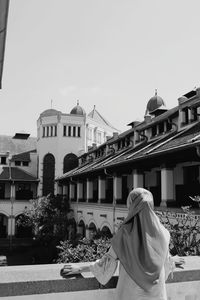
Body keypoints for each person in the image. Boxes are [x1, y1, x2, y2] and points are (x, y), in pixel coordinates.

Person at [61, 188, 184, 300]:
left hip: (130, 294)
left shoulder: (125, 233)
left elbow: (107, 263)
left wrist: (80, 268)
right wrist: (172, 260)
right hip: (157, 295)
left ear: (132, 206)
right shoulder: (163, 233)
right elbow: (163, 262)